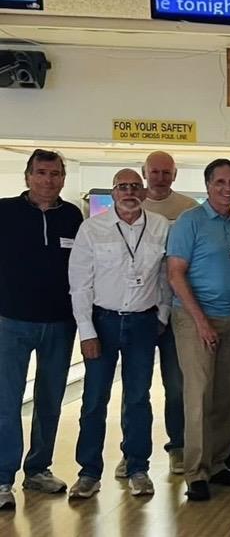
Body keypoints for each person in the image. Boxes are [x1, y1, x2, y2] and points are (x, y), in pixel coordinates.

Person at [68, 169, 171, 500]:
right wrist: (87, 331)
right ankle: (89, 473)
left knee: (139, 398)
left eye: (135, 187)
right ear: (113, 193)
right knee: (94, 399)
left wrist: (162, 316)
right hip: (103, 322)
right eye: (122, 187)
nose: (129, 192)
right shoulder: (92, 228)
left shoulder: (160, 226)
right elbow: (80, 284)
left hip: (143, 323)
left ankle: (138, 468)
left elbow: (166, 276)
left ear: (144, 192)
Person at [168, 159, 230, 501]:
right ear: (208, 185)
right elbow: (175, 273)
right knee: (199, 395)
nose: (227, 187)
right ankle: (196, 472)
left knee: (227, 394)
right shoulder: (189, 222)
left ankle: (220, 463)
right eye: (220, 181)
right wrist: (201, 321)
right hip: (195, 319)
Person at [0, 150, 83, 511]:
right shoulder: (5, 212)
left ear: (63, 178)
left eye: (55, 174)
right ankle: (2, 477)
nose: (48, 180)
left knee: (49, 400)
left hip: (60, 323)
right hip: (11, 321)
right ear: (28, 176)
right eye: (41, 172)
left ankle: (38, 469)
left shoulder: (72, 216)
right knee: (6, 402)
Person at [136, 150, 199, 476]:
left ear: (175, 175)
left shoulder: (189, 209)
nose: (160, 178)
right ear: (144, 173)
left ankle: (178, 445)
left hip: (178, 310)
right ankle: (133, 454)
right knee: (136, 388)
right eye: (154, 171)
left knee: (176, 385)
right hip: (140, 310)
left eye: (166, 172)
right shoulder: (133, 207)